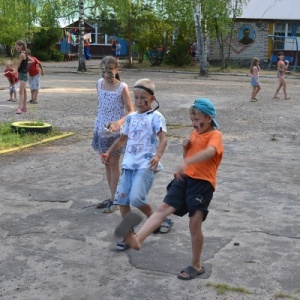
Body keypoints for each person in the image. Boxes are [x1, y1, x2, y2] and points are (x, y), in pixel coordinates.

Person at [114, 98, 223, 280]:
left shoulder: (215, 136)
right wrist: (185, 149)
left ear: (209, 118)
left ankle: (196, 264)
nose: (194, 124)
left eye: (197, 120)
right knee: (163, 209)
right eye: (192, 120)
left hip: (202, 184)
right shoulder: (194, 134)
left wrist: (187, 160)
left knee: (194, 224)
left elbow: (210, 152)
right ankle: (137, 240)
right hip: (184, 179)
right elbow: (188, 159)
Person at [101, 78, 173, 251]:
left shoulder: (156, 117)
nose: (139, 102)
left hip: (145, 164)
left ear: (152, 99)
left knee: (136, 198)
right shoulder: (131, 118)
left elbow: (163, 138)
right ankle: (129, 236)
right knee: (122, 200)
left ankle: (157, 220)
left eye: (143, 98)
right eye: (137, 98)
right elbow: (122, 139)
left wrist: (158, 156)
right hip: (128, 165)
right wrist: (109, 152)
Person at [92, 56, 135, 213]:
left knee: (114, 165)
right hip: (101, 130)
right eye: (103, 71)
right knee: (106, 163)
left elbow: (131, 112)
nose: (106, 75)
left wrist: (118, 123)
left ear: (117, 70)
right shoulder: (99, 83)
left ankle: (116, 200)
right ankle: (112, 197)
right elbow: (101, 106)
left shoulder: (121, 87)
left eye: (109, 71)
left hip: (115, 133)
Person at [15, 40, 33, 114]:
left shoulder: (21, 55)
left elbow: (18, 66)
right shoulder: (25, 53)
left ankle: (19, 108)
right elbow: (32, 60)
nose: (16, 48)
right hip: (23, 73)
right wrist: (26, 64)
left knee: (21, 92)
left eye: (17, 47)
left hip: (22, 74)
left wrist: (14, 72)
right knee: (24, 91)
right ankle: (24, 107)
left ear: (21, 46)